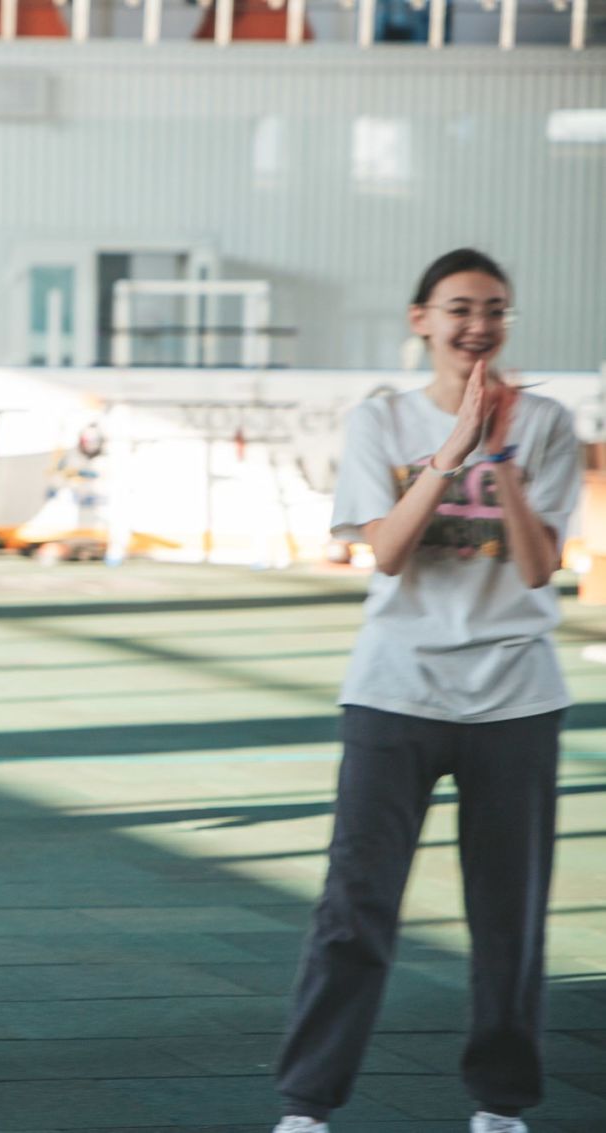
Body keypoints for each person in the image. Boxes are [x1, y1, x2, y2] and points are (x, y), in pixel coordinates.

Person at [272, 249, 580, 1133]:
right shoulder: (382, 420)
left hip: (517, 697)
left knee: (509, 915)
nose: (478, 325)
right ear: (422, 321)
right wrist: (455, 450)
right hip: (395, 690)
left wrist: (505, 452)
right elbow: (388, 552)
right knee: (354, 908)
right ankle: (307, 1105)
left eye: (495, 309)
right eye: (460, 308)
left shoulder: (549, 422)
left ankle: (501, 1104)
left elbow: (537, 566)